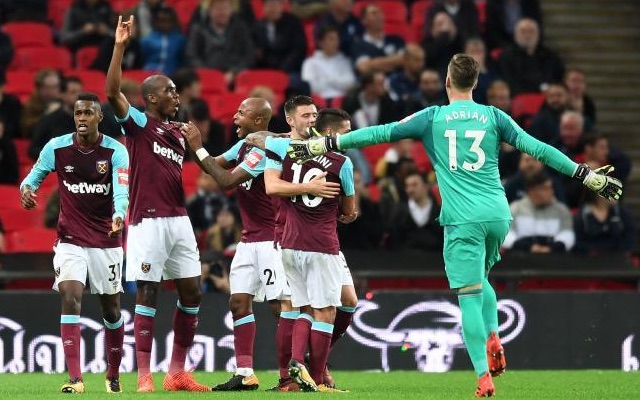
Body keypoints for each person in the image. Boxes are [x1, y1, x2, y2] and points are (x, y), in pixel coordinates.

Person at [285, 53, 622, 397]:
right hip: (498, 215)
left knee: (469, 297)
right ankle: (494, 333)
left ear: (447, 81)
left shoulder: (433, 117)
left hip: (463, 219)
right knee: (483, 279)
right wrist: (585, 174)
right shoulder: (494, 116)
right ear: (475, 84)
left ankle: (482, 377)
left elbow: (382, 132)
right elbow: (538, 148)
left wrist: (327, 142)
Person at [179, 96, 339, 391]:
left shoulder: (266, 152)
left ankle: (290, 374)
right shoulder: (242, 146)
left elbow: (226, 181)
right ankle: (245, 373)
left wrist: (199, 145)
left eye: (241, 112)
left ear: (257, 120)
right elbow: (213, 166)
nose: (234, 117)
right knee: (238, 302)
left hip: (273, 240)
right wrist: (193, 147)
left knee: (283, 307)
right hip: (249, 239)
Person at [106, 15, 210, 393]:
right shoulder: (137, 123)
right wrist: (120, 47)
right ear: (150, 98)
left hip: (179, 219)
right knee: (148, 291)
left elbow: (214, 167)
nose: (176, 96)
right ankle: (144, 375)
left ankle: (176, 372)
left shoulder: (179, 134)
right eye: (169, 91)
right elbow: (112, 91)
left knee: (193, 292)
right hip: (147, 220)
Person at [20, 92, 128, 394]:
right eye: (78, 113)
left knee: (112, 310)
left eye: (88, 113)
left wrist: (119, 214)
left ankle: (113, 373)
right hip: (70, 239)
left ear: (99, 118)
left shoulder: (115, 151)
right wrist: (27, 189)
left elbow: (121, 191)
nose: (82, 118)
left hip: (106, 241)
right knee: (70, 295)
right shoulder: (57, 147)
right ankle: (75, 379)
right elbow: (33, 177)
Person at [246, 106, 360, 390]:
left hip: (290, 244)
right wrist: (345, 211)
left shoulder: (290, 152)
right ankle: (318, 380)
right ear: (331, 133)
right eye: (346, 132)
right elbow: (349, 210)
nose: (350, 137)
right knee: (324, 311)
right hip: (321, 244)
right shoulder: (341, 161)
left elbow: (257, 139)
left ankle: (296, 365)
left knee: (302, 308)